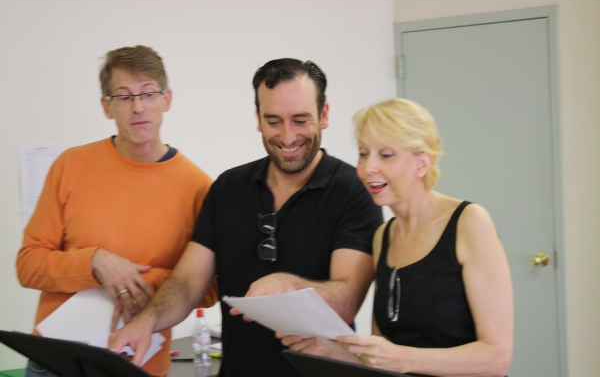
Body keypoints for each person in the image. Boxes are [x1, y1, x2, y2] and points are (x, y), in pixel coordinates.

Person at [108, 58, 383, 376]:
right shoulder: (228, 187)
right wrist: (146, 322)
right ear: (258, 119)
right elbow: (187, 282)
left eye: (300, 120)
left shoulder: (353, 192)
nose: (288, 136)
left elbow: (348, 297)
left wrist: (289, 285)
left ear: (324, 115)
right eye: (274, 121)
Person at [16, 45, 218, 377]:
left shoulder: (199, 188)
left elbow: (208, 288)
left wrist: (139, 279)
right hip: (56, 359)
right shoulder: (70, 166)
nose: (138, 107)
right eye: (124, 97)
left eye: (148, 94)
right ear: (106, 107)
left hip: (138, 363)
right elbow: (28, 265)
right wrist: (95, 262)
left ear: (167, 100)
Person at [280, 98, 514, 377]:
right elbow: (383, 357)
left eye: (386, 155)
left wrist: (403, 358)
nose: (368, 168)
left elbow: (496, 358)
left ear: (422, 163)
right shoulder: (383, 237)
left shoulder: (470, 223)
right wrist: (329, 350)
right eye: (364, 154)